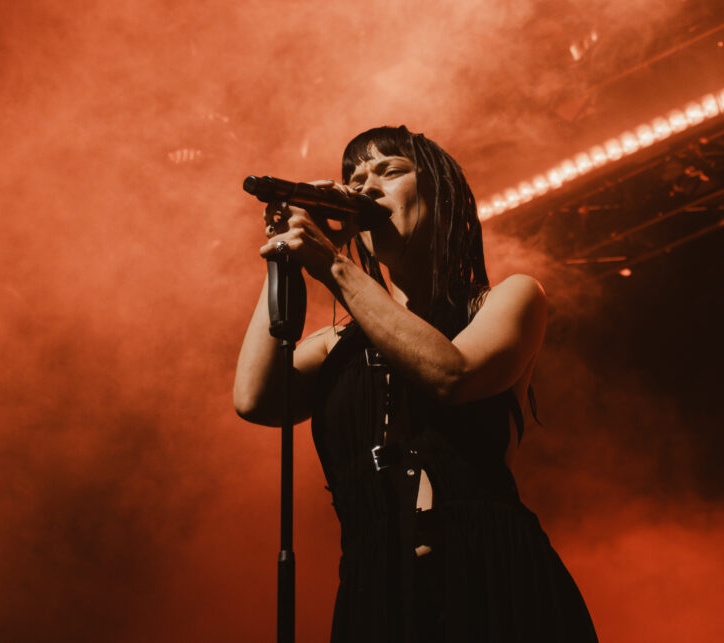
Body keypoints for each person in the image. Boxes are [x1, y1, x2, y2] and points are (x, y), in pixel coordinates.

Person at [233, 126, 597, 642]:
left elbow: (453, 374)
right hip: (376, 591)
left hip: (492, 571)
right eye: (355, 180)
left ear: (441, 195)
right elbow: (255, 398)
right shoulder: (335, 343)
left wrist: (334, 266)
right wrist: (286, 255)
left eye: (389, 170)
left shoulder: (508, 299)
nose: (366, 188)